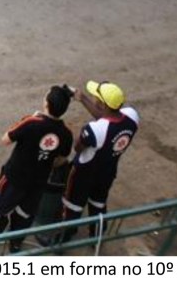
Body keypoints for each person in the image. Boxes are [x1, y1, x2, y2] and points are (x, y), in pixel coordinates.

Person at [0, 86, 74, 252]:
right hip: (38, 182)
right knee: (24, 215)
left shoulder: (31, 122)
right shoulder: (66, 133)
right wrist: (44, 157)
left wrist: (31, 119)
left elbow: (5, 139)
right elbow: (62, 158)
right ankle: (15, 245)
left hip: (14, 177)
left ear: (46, 104)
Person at [55, 81, 140, 243]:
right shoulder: (132, 117)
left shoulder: (94, 129)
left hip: (84, 173)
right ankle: (96, 237)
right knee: (98, 203)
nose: (94, 98)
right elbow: (109, 118)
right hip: (108, 171)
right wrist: (82, 98)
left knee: (72, 205)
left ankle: (62, 239)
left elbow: (78, 148)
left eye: (95, 97)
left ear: (101, 103)